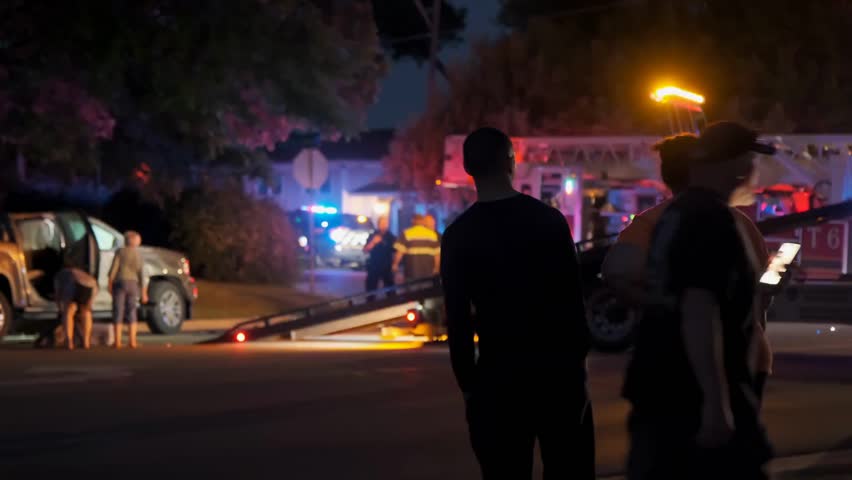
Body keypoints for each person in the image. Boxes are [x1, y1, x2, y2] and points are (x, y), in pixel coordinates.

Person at [623, 122, 774, 480]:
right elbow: (699, 309)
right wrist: (715, 402)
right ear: (736, 164)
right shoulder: (711, 219)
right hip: (689, 400)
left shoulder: (676, 215)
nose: (754, 172)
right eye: (751, 160)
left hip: (660, 390)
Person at [441, 127, 594, 479]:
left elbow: (459, 321)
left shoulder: (458, 236)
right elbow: (571, 303)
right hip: (557, 377)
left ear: (468, 168)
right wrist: (578, 373)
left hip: (497, 379)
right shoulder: (548, 222)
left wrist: (469, 386)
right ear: (511, 162)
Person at [603, 134, 773, 403]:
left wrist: (664, 304)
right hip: (745, 361)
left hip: (676, 364)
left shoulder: (651, 223)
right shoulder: (740, 224)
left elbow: (617, 274)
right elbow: (757, 298)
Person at [109, 230, 148, 349]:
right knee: (132, 311)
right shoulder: (138, 255)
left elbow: (113, 269)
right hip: (133, 283)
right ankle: (132, 341)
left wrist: (110, 283)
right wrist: (144, 293)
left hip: (120, 282)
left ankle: (118, 342)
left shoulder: (120, 252)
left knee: (118, 310)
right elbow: (142, 274)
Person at [53, 267, 98, 350]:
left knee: (69, 311)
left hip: (73, 283)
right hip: (91, 285)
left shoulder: (59, 276)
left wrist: (60, 309)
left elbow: (58, 295)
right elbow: (91, 300)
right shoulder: (81, 273)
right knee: (86, 312)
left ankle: (69, 342)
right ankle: (86, 342)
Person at [392, 214, 441, 281]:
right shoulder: (432, 235)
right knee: (426, 290)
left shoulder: (406, 233)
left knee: (413, 291)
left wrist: (395, 265)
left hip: (411, 272)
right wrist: (436, 268)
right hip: (428, 273)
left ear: (413, 222)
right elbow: (437, 255)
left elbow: (399, 253)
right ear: (423, 222)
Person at [363, 216, 396, 295]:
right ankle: (370, 304)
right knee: (371, 289)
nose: (384, 225)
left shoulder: (391, 237)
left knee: (390, 289)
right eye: (382, 223)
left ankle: (390, 303)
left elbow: (396, 251)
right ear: (378, 224)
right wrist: (373, 242)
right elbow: (365, 250)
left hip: (387, 266)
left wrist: (395, 264)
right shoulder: (372, 235)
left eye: (385, 223)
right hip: (374, 265)